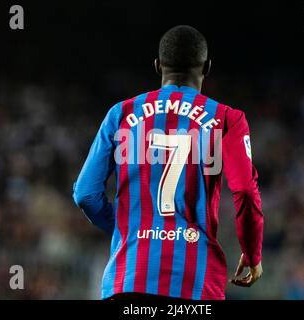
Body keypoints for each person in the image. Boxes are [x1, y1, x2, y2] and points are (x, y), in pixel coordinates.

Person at [73, 25, 264, 300]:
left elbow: (86, 194)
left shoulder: (121, 113)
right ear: (207, 67)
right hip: (194, 283)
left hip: (128, 280)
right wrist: (252, 251)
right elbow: (245, 190)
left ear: (157, 65)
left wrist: (127, 229)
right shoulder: (226, 118)